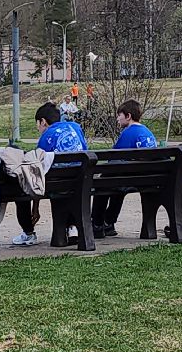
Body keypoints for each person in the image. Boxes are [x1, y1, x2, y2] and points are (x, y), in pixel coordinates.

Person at [12, 102, 88, 246]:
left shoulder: (47, 136)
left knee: (22, 186)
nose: (38, 128)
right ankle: (72, 228)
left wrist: (35, 207)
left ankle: (28, 232)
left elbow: (37, 174)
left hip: (55, 183)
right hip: (80, 180)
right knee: (69, 186)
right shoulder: (76, 128)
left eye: (38, 124)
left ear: (43, 122)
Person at [91, 100, 159, 237]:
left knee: (103, 185)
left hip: (131, 178)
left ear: (128, 116)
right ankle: (109, 222)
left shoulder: (128, 133)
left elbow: (114, 158)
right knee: (117, 186)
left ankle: (97, 224)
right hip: (147, 178)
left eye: (119, 115)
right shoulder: (147, 131)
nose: (117, 118)